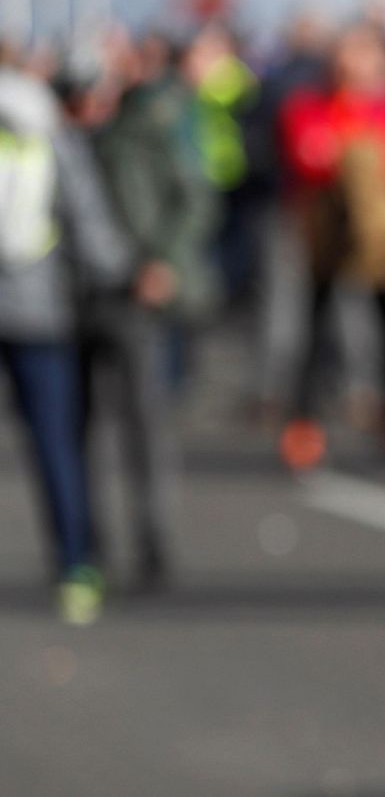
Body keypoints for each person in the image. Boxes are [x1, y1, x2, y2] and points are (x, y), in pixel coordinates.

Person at [78, 29, 220, 590]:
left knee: (143, 424)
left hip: (136, 291)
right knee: (79, 428)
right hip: (78, 295)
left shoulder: (157, 119)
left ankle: (153, 543)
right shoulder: (74, 122)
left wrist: (164, 261)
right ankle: (87, 545)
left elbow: (194, 198)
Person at [0, 65, 131, 624]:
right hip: (41, 317)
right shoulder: (55, 145)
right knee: (56, 446)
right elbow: (93, 231)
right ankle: (76, 565)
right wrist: (126, 275)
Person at [277, 23, 385, 469]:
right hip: (327, 231)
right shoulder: (309, 105)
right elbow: (303, 154)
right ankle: (305, 418)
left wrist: (347, 154)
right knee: (315, 326)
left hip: (380, 232)